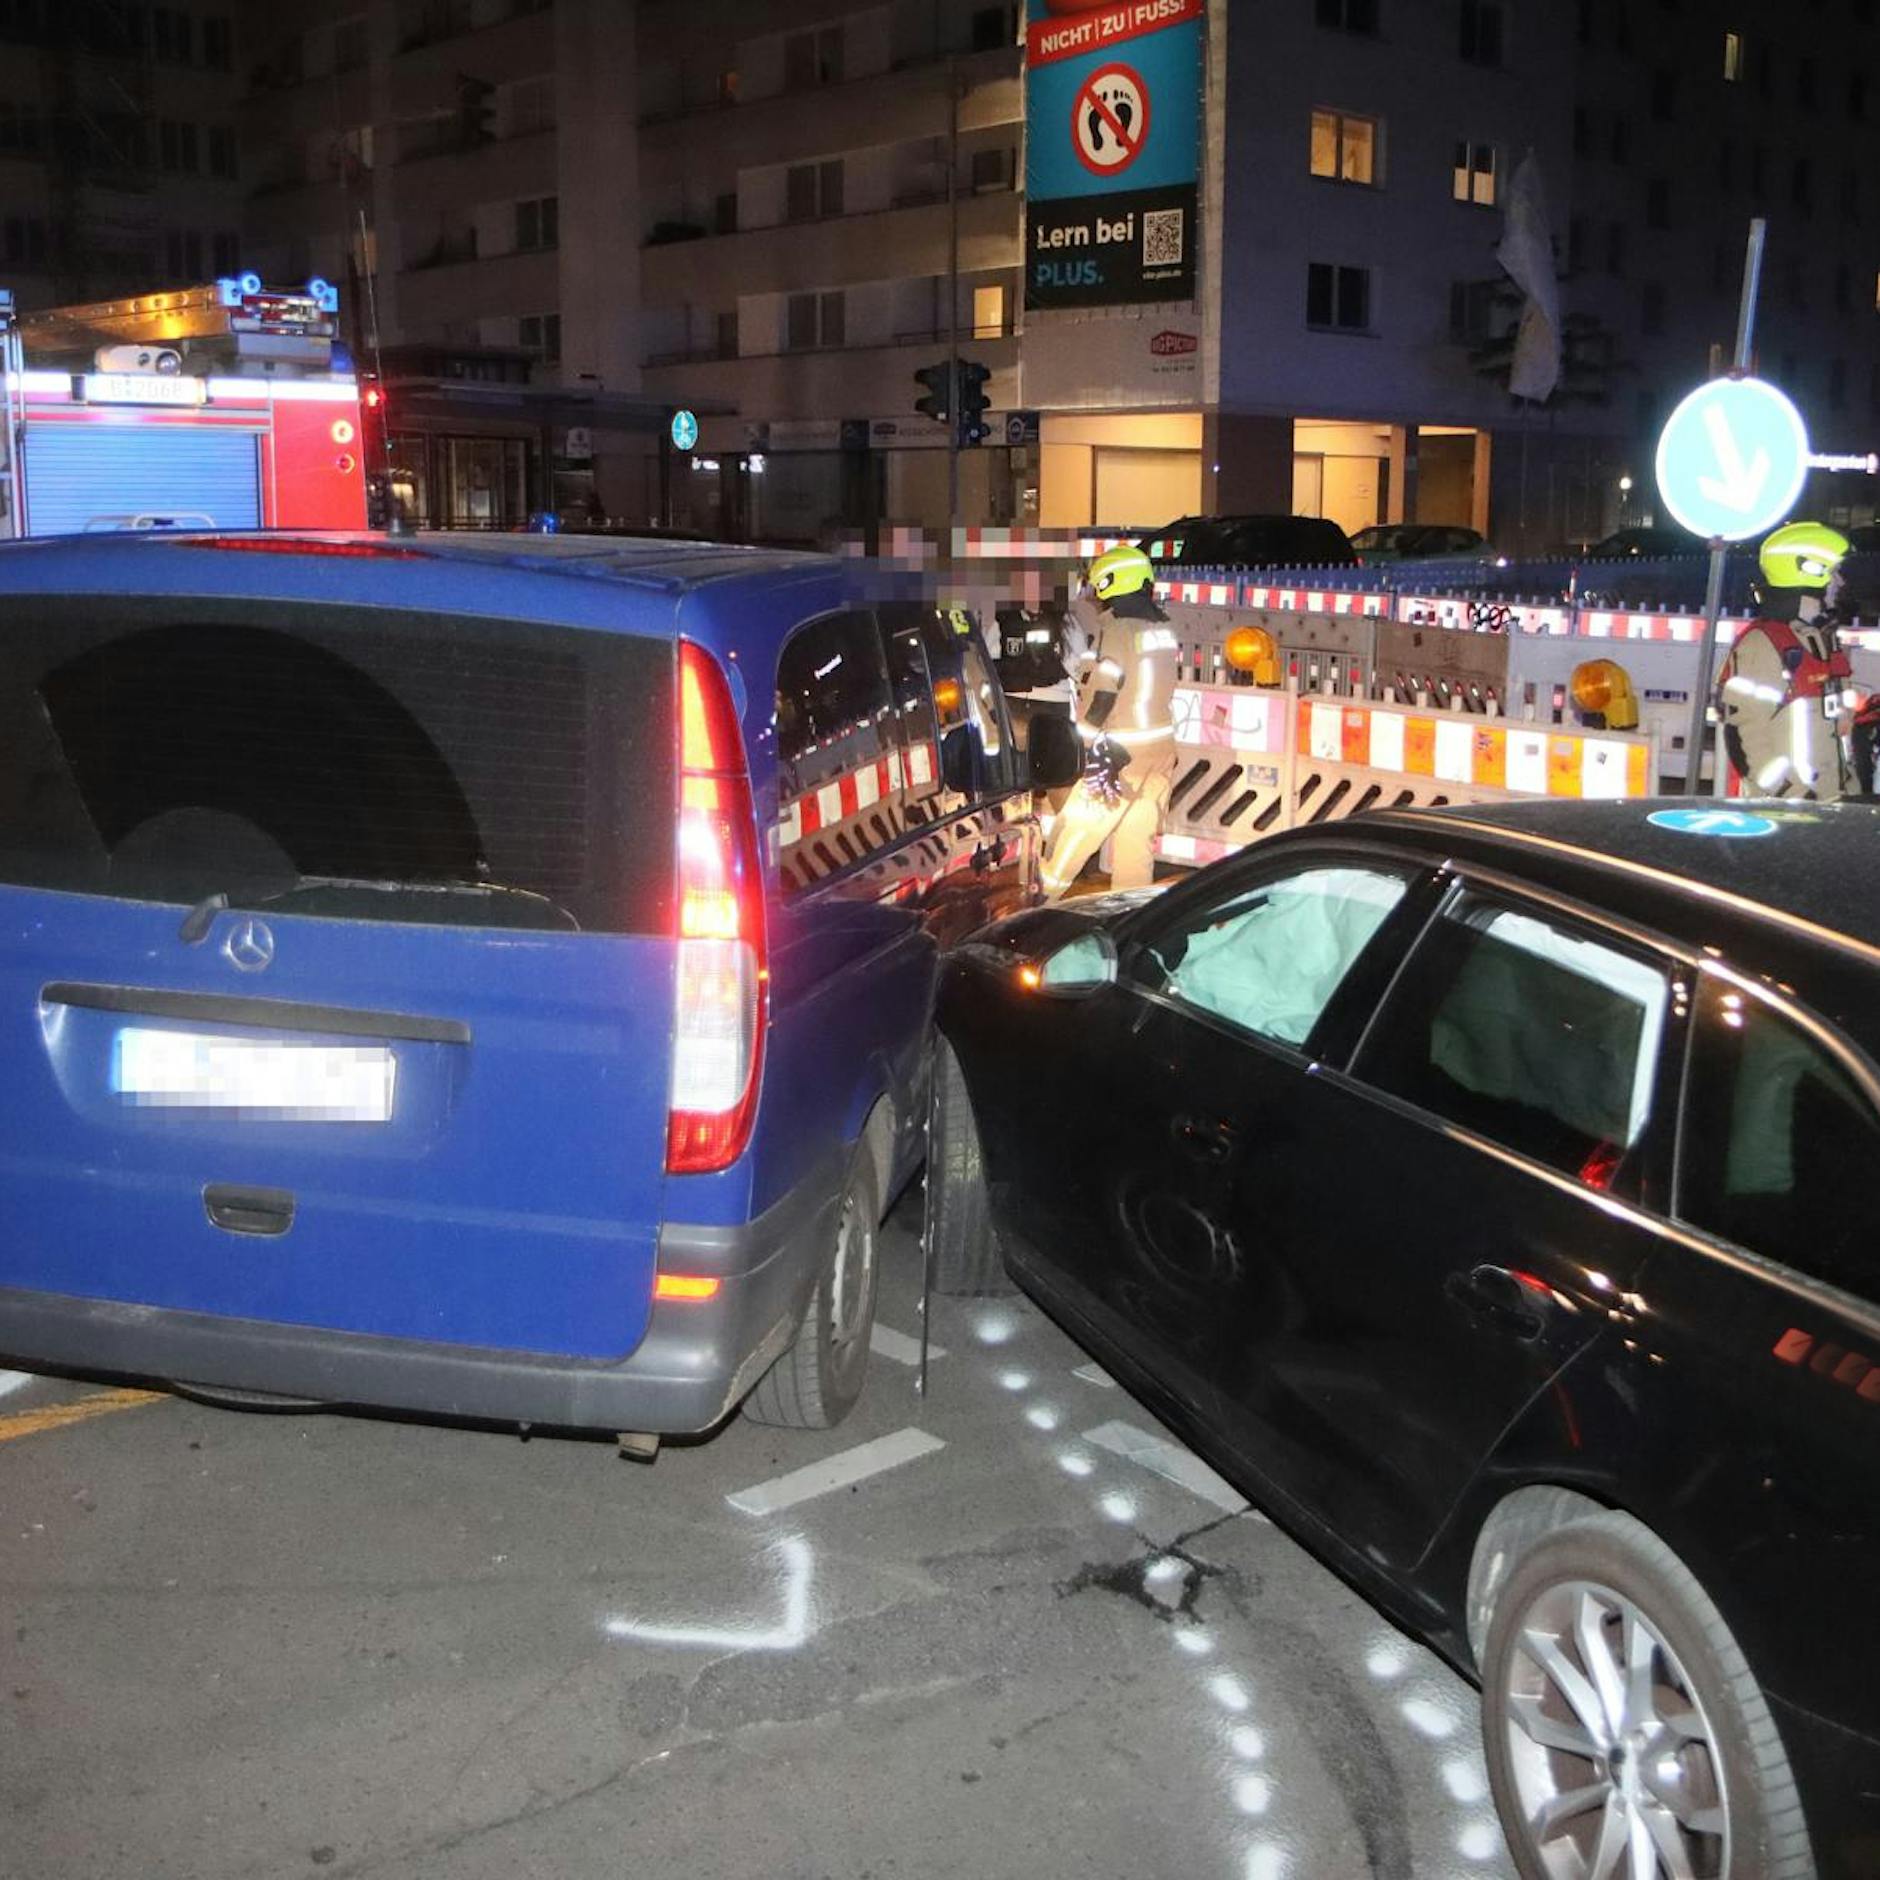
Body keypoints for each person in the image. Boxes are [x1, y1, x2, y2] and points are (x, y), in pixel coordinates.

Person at [1040, 545, 1181, 897]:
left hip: (1117, 757)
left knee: (1074, 832)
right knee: (1136, 842)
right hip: (1159, 754)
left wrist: (1083, 741)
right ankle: (1128, 914)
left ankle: (1039, 902)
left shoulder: (1118, 631)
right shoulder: (1163, 629)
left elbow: (1105, 692)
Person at [1716, 521, 1855, 798]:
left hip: (1832, 800)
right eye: (1834, 572)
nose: (1840, 582)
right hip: (1786, 813)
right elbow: (1742, 734)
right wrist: (1788, 793)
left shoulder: (1822, 638)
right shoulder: (1764, 644)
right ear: (1809, 571)